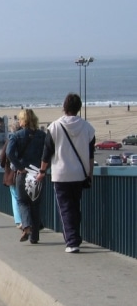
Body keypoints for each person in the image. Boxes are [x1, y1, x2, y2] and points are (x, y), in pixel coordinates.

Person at [36, 93, 95, 253]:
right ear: (78, 108)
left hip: (61, 174)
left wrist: (42, 171)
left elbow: (46, 153)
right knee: (75, 206)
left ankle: (72, 242)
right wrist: (90, 174)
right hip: (79, 174)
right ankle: (75, 236)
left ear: (64, 107)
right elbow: (90, 155)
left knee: (65, 208)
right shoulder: (88, 128)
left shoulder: (54, 127)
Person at [8, 109, 46, 244]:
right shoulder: (42, 135)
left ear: (22, 120)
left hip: (23, 173)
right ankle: (34, 236)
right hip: (37, 174)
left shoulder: (16, 136)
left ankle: (26, 226)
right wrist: (43, 169)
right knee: (35, 204)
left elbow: (10, 153)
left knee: (23, 201)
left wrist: (19, 167)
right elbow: (47, 154)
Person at [0, 122, 21, 228]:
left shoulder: (9, 141)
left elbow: (2, 157)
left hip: (12, 173)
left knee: (15, 197)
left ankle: (19, 220)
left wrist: (5, 165)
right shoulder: (25, 139)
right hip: (27, 172)